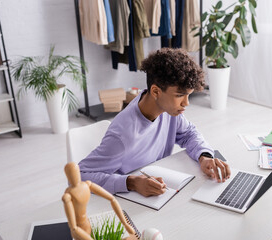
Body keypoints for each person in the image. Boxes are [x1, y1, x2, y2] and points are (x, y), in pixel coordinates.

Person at [79, 48, 231, 197]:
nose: (186, 103)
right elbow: (80, 177)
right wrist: (131, 183)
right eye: (180, 95)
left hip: (158, 191)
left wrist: (204, 157)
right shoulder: (123, 135)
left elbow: (189, 134)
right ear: (156, 92)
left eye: (188, 96)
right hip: (128, 201)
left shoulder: (170, 112)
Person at [62, 162, 138, 240]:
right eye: (71, 173)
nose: (74, 176)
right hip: (79, 229)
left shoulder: (87, 185)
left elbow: (112, 199)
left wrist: (125, 223)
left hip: (87, 223)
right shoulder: (68, 196)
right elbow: (73, 228)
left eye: (75, 172)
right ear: (68, 176)